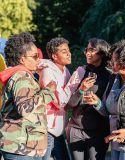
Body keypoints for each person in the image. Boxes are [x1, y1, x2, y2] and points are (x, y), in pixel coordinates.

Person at [0, 32, 56, 160]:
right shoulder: (21, 77)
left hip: (24, 146)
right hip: (20, 147)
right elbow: (25, 108)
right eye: (35, 56)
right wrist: (48, 91)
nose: (39, 59)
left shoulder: (24, 75)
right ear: (22, 59)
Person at [66, 38, 111, 160]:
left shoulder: (111, 76)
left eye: (92, 50)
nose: (87, 53)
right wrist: (81, 89)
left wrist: (97, 102)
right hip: (76, 128)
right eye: (87, 50)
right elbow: (69, 104)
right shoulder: (80, 72)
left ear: (102, 53)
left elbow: (112, 107)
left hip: (99, 131)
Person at [38, 37, 71, 160]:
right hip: (47, 127)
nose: (69, 54)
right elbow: (59, 101)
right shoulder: (47, 70)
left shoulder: (65, 71)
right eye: (64, 51)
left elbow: (67, 100)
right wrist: (73, 87)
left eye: (68, 50)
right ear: (54, 56)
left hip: (58, 127)